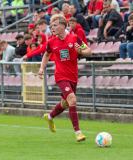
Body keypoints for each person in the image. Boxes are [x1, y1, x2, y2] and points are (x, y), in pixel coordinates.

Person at [38, 14, 91, 142]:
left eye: (55, 25)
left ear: (63, 25)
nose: (52, 28)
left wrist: (81, 52)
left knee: (66, 103)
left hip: (73, 76)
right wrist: (41, 68)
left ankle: (50, 116)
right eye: (51, 26)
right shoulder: (51, 41)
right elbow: (46, 55)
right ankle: (78, 132)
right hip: (61, 76)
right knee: (72, 99)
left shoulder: (74, 38)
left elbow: (89, 51)